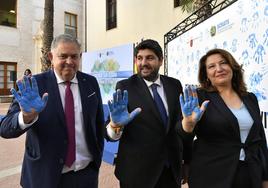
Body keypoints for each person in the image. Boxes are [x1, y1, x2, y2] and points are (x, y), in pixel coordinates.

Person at [0, 34, 104, 188]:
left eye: (74, 56)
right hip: (44, 178)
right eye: (63, 56)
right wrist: (26, 117)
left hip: (86, 176)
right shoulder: (34, 85)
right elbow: (5, 128)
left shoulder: (90, 82)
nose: (69, 61)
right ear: (51, 57)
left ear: (80, 57)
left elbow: (98, 123)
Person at [105, 39, 191, 188]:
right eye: (139, 58)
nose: (143, 63)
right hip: (137, 174)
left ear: (161, 60)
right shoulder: (125, 87)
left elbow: (181, 125)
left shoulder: (174, 85)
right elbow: (110, 133)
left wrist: (186, 161)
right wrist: (116, 125)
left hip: (171, 170)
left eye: (149, 58)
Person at [179, 48, 268, 188]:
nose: (219, 69)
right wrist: (188, 124)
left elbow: (260, 139)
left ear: (232, 67)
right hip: (212, 175)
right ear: (206, 74)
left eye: (223, 63)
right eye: (212, 66)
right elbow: (182, 137)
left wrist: (265, 177)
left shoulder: (250, 98)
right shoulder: (199, 97)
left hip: (250, 173)